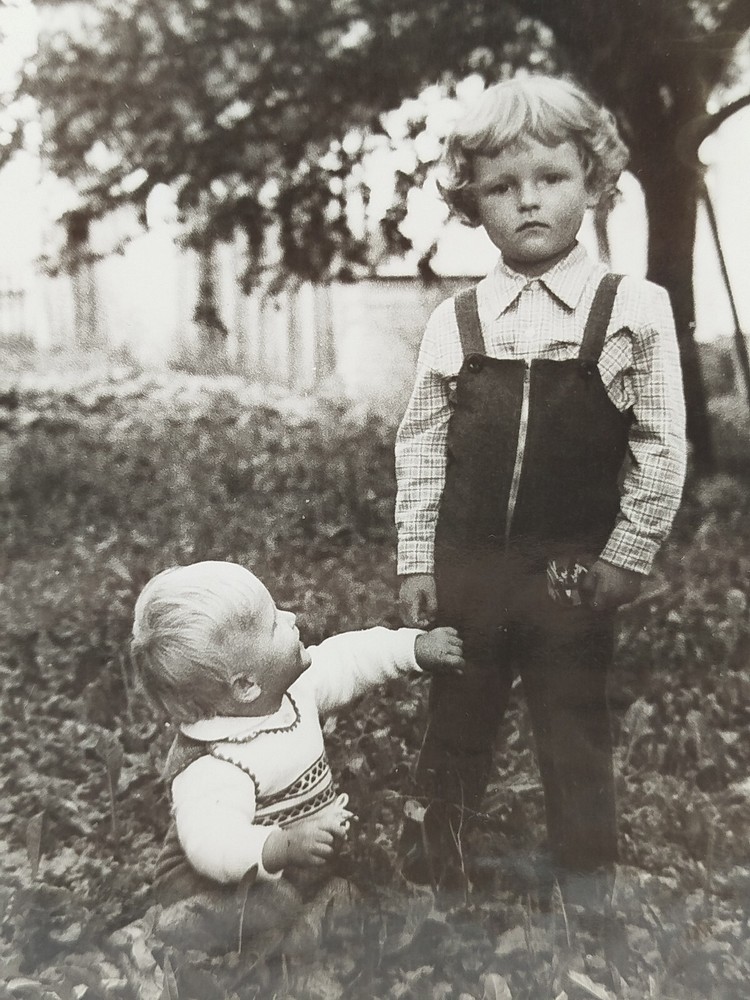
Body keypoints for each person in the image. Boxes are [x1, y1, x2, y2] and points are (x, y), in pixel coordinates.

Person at [395, 75, 687, 906]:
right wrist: (418, 558)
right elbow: (421, 445)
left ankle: (587, 878)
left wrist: (629, 552)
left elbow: (660, 441)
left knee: (572, 720)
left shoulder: (632, 308)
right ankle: (429, 867)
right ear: (470, 202)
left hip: (572, 566)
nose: (527, 203)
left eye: (550, 179)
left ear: (593, 182)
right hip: (471, 566)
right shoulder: (458, 321)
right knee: (457, 717)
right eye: (500, 187)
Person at [130, 560, 463, 943]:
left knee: (336, 895)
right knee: (265, 908)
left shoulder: (293, 692)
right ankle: (177, 931)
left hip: (294, 861)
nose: (290, 617)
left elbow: (350, 658)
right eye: (274, 624)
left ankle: (300, 929)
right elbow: (213, 842)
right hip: (218, 880)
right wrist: (280, 845)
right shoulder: (213, 763)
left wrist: (413, 648)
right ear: (245, 686)